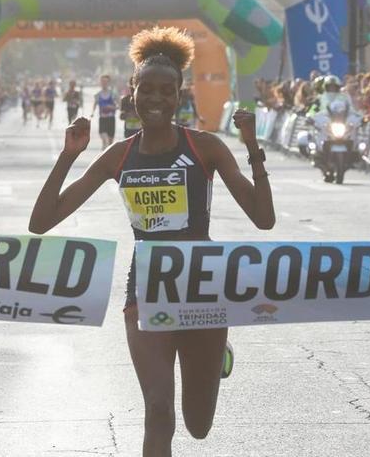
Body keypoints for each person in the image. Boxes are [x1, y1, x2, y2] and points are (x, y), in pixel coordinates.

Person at [28, 27, 274, 456]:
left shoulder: (206, 147)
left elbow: (264, 219)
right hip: (146, 291)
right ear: (132, 92)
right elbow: (42, 222)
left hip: (203, 289)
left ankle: (216, 356)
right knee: (159, 409)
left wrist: (253, 150)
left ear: (180, 96)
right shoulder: (119, 156)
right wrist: (69, 155)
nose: (156, 99)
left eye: (167, 91)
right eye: (148, 90)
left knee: (198, 426)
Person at [91, 75, 117, 149]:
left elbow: (118, 106)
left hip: (111, 118)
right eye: (102, 82)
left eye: (105, 82)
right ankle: (105, 147)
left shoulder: (113, 94)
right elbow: (95, 104)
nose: (104, 83)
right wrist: (92, 112)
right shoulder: (98, 95)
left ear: (108, 83)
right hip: (102, 118)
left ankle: (107, 152)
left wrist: (111, 107)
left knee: (110, 141)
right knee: (104, 137)